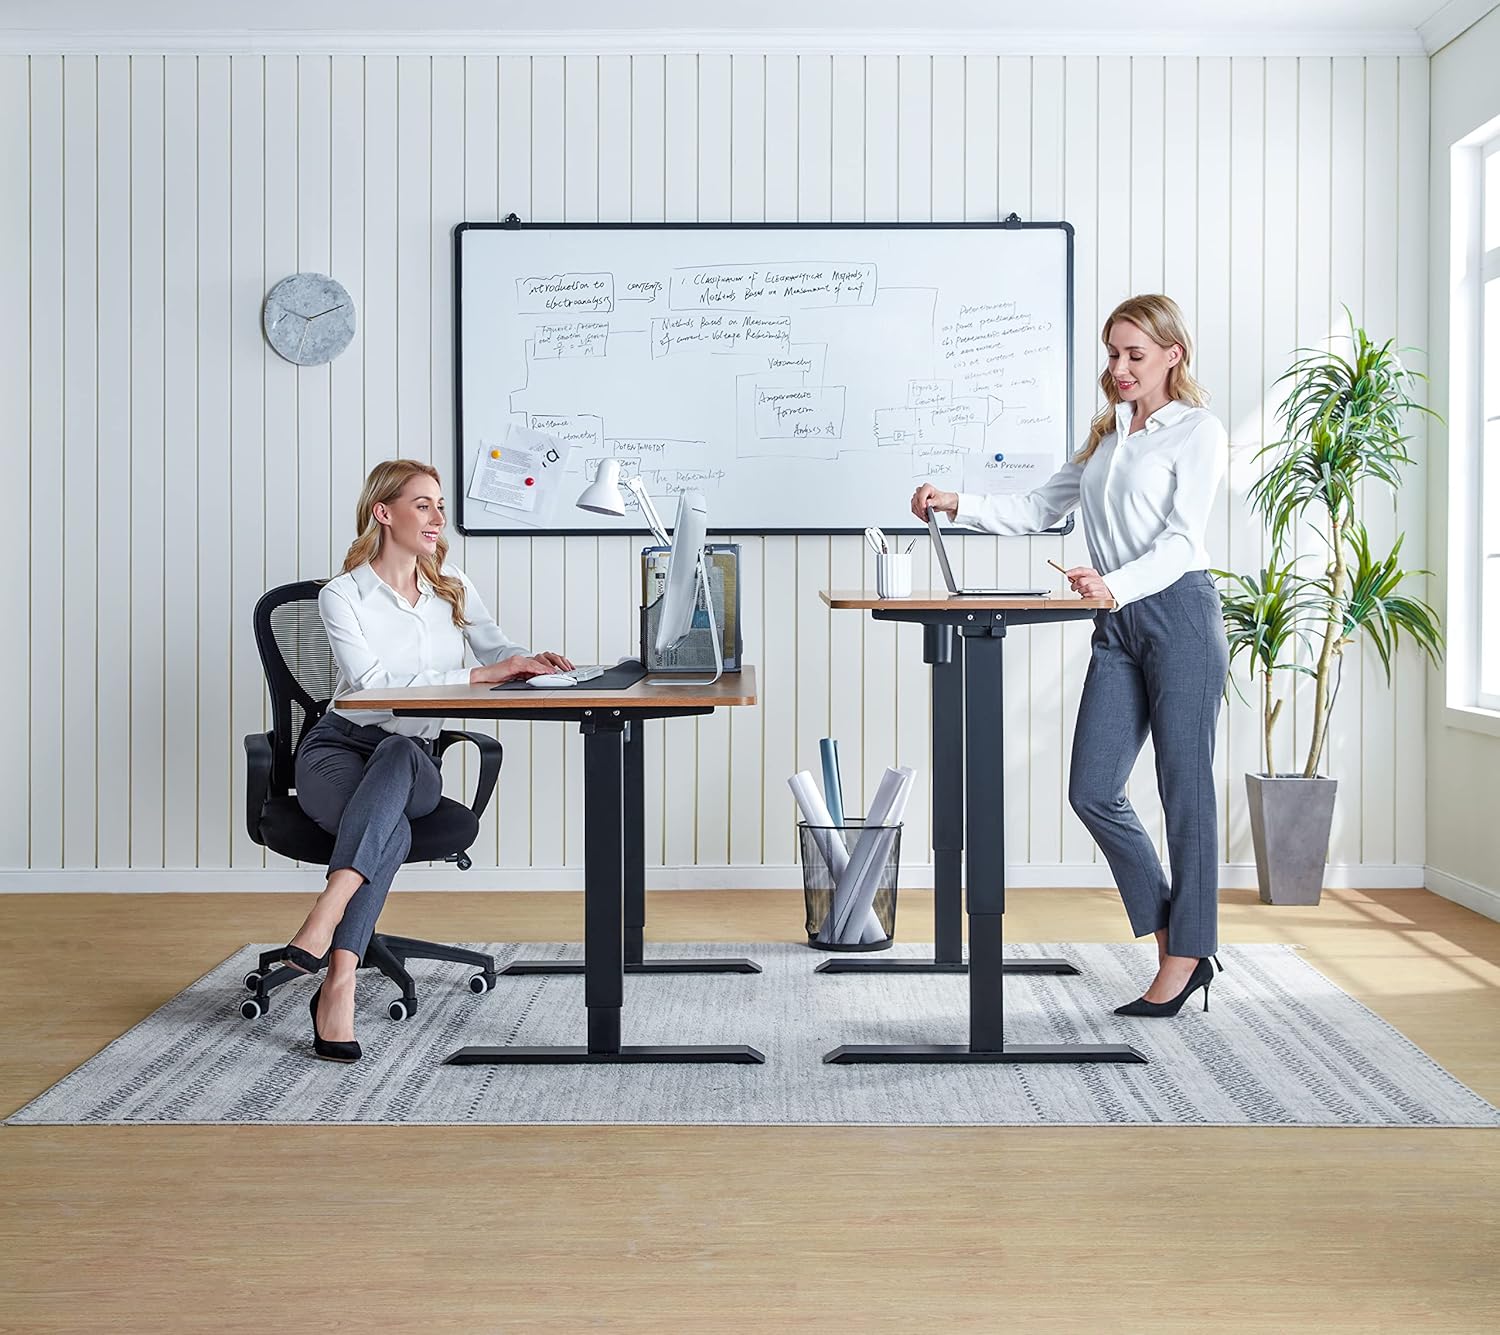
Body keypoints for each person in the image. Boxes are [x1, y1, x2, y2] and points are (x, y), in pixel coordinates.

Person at [911, 293, 1230, 1018]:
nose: (1118, 368)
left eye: (1134, 355)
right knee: (1092, 788)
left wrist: (1112, 584)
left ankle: (1184, 955)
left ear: (1172, 356)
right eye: (1113, 354)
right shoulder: (1106, 439)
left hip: (1177, 611)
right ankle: (1178, 934)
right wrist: (954, 501)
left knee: (1186, 789)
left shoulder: (1197, 432)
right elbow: (1036, 510)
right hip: (1116, 624)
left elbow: (1183, 541)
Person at [281, 458, 572, 1061]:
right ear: (383, 513)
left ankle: (327, 908)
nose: (439, 518)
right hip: (336, 748)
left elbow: (496, 648)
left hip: (410, 760)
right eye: (424, 505)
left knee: (396, 752)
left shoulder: (453, 585)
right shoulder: (344, 595)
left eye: (440, 505)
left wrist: (525, 660)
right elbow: (371, 686)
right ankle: (340, 980)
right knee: (381, 825)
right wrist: (480, 674)